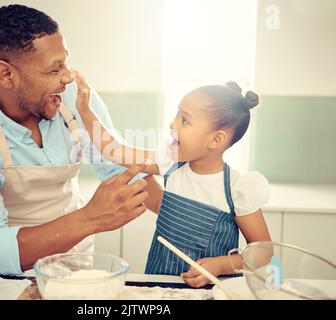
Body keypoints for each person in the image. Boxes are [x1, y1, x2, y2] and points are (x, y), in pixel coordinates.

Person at [0, 5, 149, 275]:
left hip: (78, 262)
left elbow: (121, 168)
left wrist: (197, 224)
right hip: (13, 275)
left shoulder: (71, 99)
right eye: (53, 70)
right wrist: (90, 218)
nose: (68, 77)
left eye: (66, 63)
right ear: (6, 74)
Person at [74, 73, 271, 288]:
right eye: (176, 115)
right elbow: (114, 151)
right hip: (160, 286)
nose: (172, 123)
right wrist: (85, 110)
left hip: (210, 293)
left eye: (184, 120)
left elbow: (263, 254)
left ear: (216, 140)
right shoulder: (170, 163)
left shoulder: (238, 188)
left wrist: (221, 264)